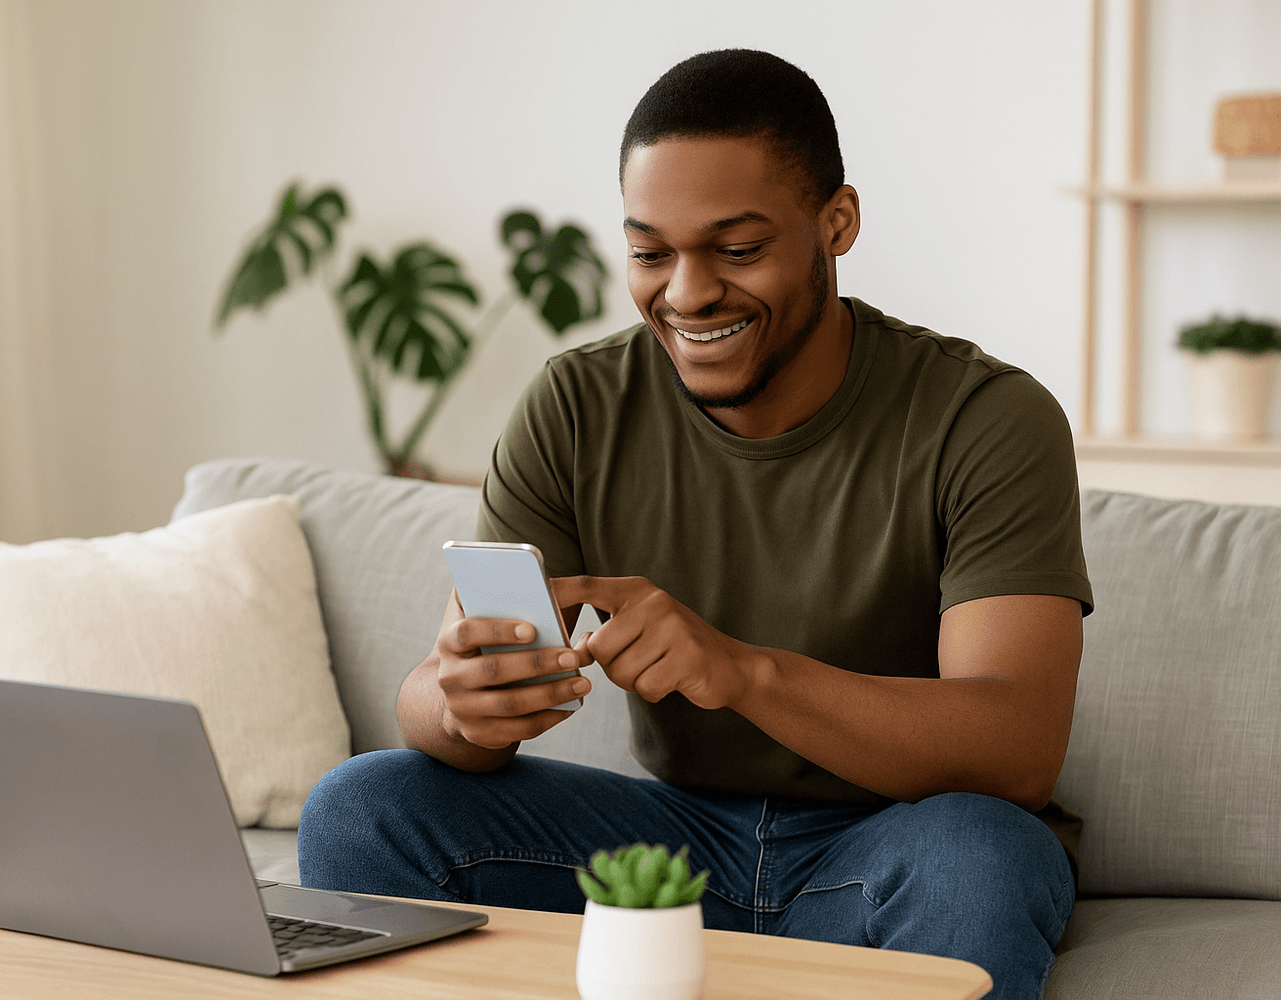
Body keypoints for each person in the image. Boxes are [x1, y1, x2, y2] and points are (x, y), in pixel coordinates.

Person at [299, 48, 1092, 1000]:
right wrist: (459, 702)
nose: (685, 292)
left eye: (737, 249)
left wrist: (744, 672)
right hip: (673, 850)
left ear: (834, 225)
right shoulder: (576, 407)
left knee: (984, 854)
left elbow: (1016, 748)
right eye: (650, 252)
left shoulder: (984, 417)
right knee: (363, 808)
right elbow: (445, 708)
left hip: (898, 841)